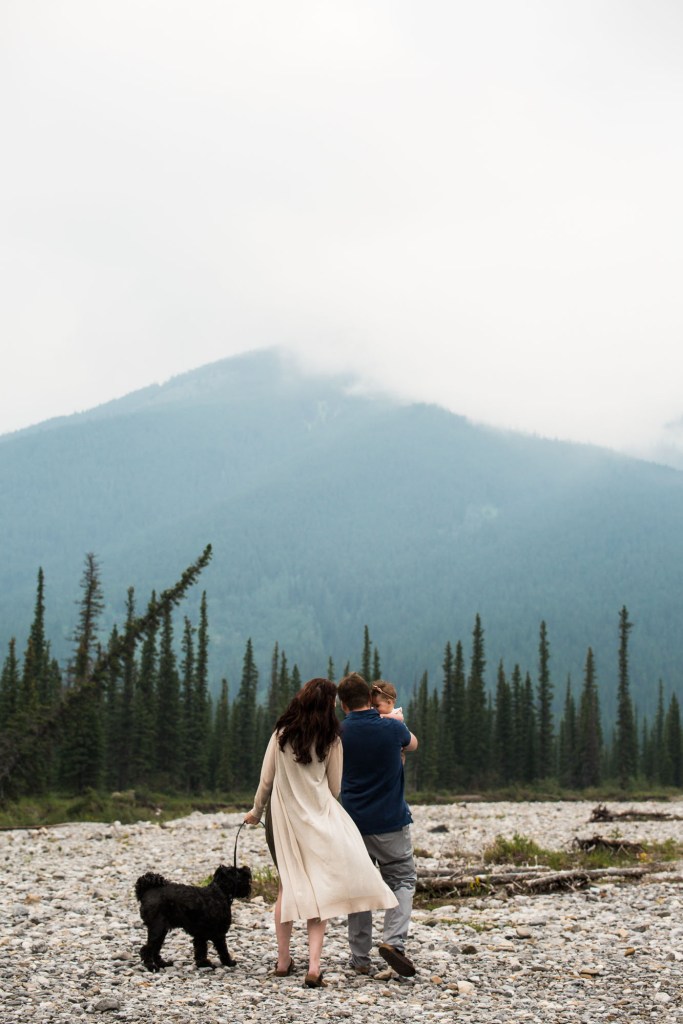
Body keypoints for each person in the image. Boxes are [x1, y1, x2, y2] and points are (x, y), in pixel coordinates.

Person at [244, 677, 397, 989]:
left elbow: (266, 781)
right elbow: (335, 787)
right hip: (318, 819)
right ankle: (314, 967)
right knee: (319, 890)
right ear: (330, 706)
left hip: (282, 820)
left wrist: (256, 812)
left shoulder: (281, 734)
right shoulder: (332, 738)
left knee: (287, 887)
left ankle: (283, 961)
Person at [337, 672, 419, 978]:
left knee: (358, 889)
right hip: (391, 820)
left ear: (343, 704)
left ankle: (360, 959)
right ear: (371, 700)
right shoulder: (393, 728)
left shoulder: (340, 732)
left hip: (353, 823)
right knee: (402, 879)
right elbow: (413, 744)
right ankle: (393, 942)